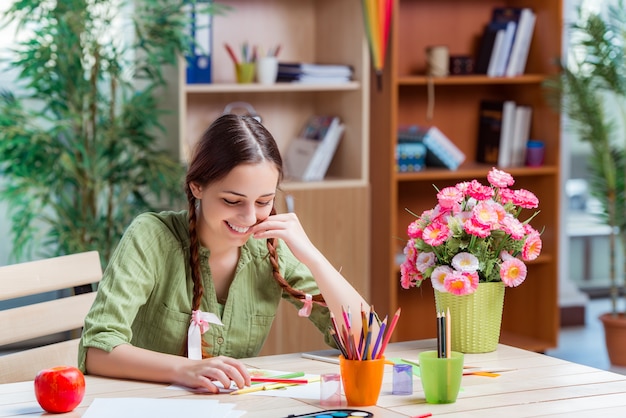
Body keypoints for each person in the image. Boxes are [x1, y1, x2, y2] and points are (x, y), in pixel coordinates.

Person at [78, 114, 370, 393]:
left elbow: (366, 340)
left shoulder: (269, 247)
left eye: (264, 201)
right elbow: (97, 350)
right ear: (197, 186)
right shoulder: (151, 237)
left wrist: (313, 257)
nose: (248, 217)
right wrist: (185, 370)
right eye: (232, 200)